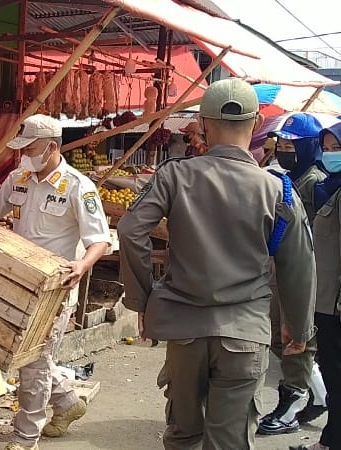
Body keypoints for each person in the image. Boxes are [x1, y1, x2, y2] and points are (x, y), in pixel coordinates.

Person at [117, 78, 317, 449]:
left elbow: (130, 231)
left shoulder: (174, 176)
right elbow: (298, 265)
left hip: (185, 329)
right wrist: (298, 327)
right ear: (257, 123)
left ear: (204, 124)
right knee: (229, 442)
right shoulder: (278, 190)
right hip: (245, 333)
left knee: (183, 436)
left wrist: (142, 302)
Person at [0, 114, 111, 450]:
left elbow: (99, 240)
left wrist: (82, 264)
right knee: (26, 357)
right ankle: (67, 402)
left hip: (55, 290)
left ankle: (25, 437)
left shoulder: (78, 187)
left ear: (51, 147)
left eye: (30, 148)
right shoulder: (20, 177)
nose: (24, 154)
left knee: (34, 360)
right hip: (18, 282)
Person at [259, 114, 328, 436]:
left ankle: (293, 402)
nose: (285, 150)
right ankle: (316, 391)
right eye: (281, 144)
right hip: (281, 269)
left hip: (305, 271)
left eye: (291, 145)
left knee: (298, 338)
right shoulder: (287, 179)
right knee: (281, 336)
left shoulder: (315, 183)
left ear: (308, 147)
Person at [291, 122, 341, 450]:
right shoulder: (332, 188)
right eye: (327, 147)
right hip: (325, 301)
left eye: (336, 147)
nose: (330, 154)